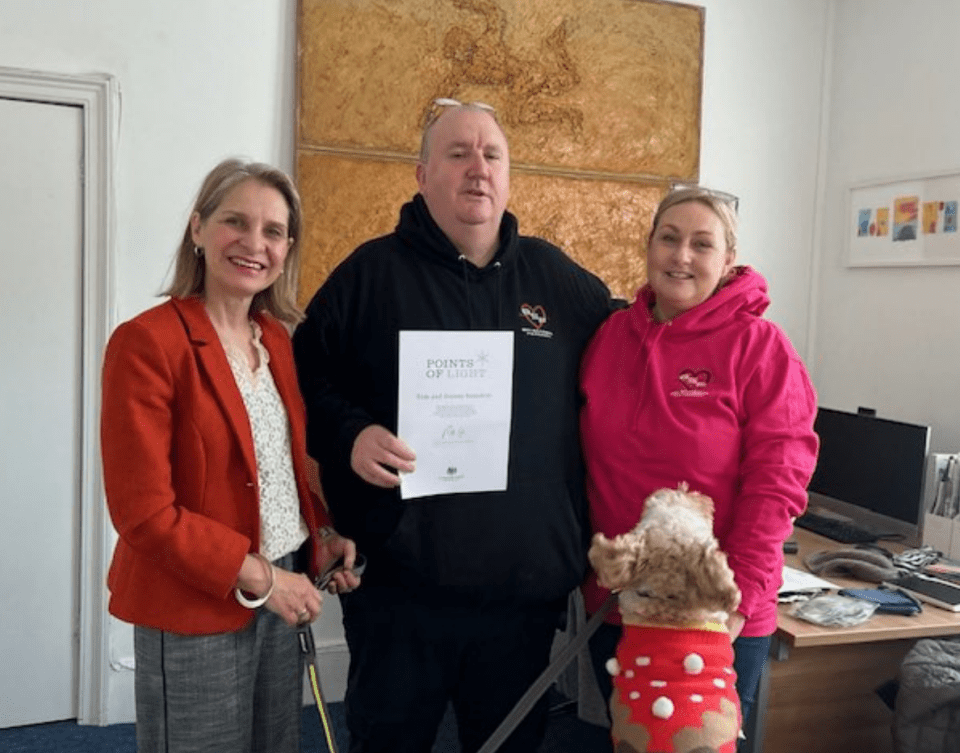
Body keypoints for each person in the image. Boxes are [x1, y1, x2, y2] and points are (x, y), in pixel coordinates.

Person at [292, 99, 612, 753]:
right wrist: (351, 433)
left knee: (508, 743)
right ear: (422, 173)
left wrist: (723, 297)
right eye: (458, 153)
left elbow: (641, 337)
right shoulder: (368, 276)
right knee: (389, 741)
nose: (478, 169)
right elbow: (302, 381)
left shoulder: (556, 279)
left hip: (521, 597)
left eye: (491, 155)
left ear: (509, 175)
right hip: (399, 592)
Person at [100, 158, 361, 753]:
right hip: (194, 603)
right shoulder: (147, 343)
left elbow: (276, 469)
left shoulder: (275, 340)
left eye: (273, 231)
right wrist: (265, 579)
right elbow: (143, 513)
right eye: (234, 222)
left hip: (279, 592)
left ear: (286, 248)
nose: (254, 244)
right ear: (197, 228)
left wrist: (320, 534)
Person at [579, 186, 819, 735]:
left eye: (702, 244)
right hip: (618, 605)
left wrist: (738, 602)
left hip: (715, 615)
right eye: (669, 238)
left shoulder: (761, 347)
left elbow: (778, 483)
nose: (681, 256)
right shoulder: (610, 337)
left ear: (728, 260)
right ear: (648, 247)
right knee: (631, 739)